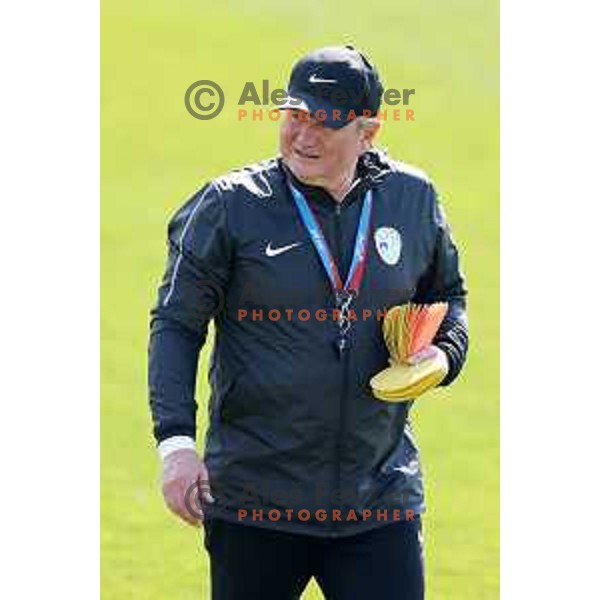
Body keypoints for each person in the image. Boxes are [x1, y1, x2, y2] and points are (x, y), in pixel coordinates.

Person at [148, 45, 468, 600]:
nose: (304, 135)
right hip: (257, 506)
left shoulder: (411, 200)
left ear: (368, 130)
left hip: (380, 501)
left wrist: (443, 354)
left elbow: (447, 295)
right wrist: (175, 445)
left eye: (326, 121)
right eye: (295, 115)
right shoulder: (229, 206)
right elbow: (176, 324)